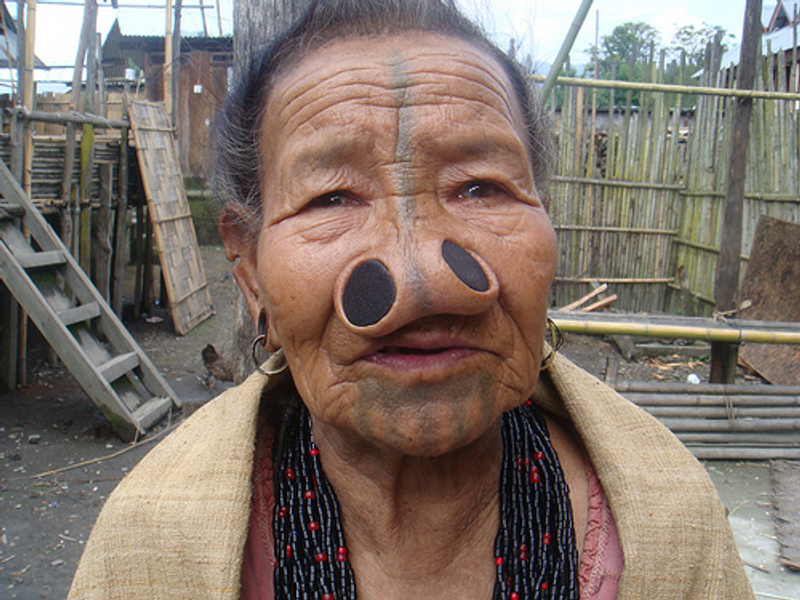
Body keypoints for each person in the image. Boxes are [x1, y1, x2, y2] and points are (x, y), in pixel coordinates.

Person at [69, 1, 754, 599]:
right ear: (250, 274)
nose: (423, 281)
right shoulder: (152, 550)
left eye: (480, 187)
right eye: (331, 199)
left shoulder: (667, 533)